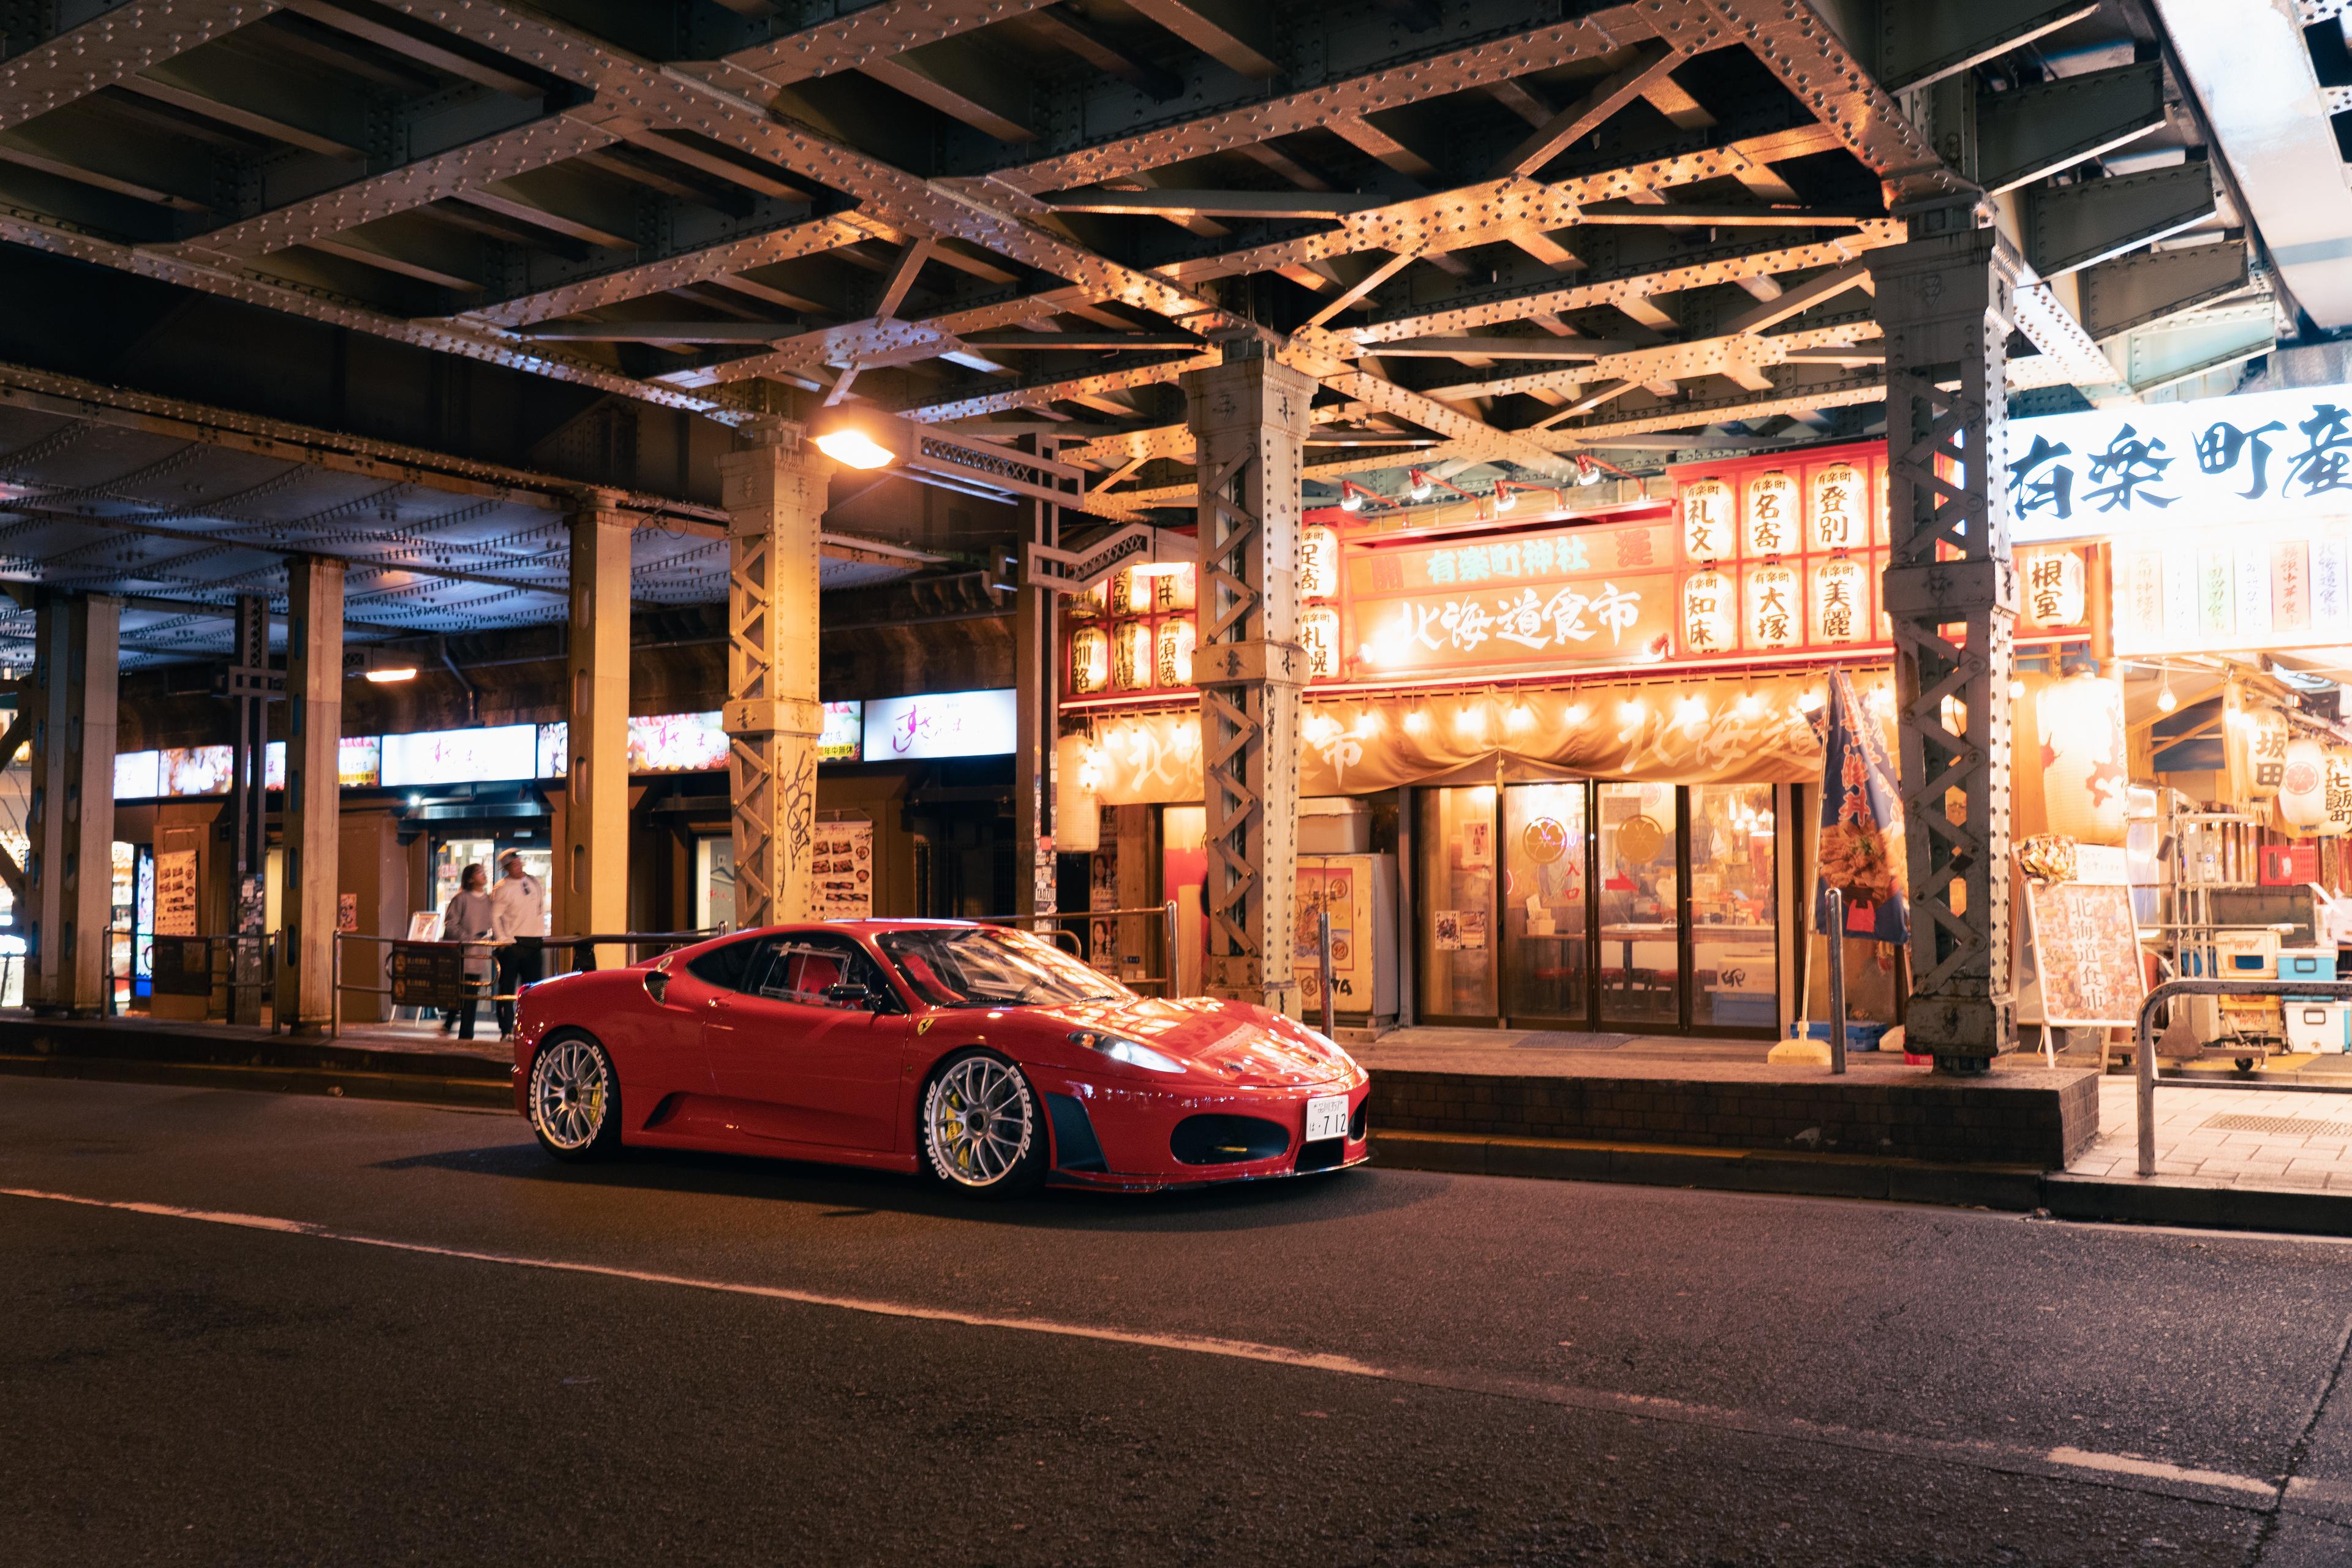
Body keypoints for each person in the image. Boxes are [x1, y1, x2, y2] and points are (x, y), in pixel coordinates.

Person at [490, 849, 548, 1039]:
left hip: (534, 941)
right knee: (507, 989)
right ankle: (506, 1029)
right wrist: (503, 939)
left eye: (519, 861)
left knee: (534, 990)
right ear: (506, 868)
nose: (518, 865)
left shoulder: (533, 881)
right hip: (513, 944)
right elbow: (495, 916)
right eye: (513, 864)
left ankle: (530, 1028)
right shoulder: (502, 888)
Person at [440, 864, 495, 1040]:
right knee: (463, 995)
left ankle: (459, 1031)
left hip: (479, 956)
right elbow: (451, 925)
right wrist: (469, 938)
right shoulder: (461, 899)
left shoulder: (489, 900)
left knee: (470, 996)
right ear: (471, 878)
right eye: (480, 872)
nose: (484, 875)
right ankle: (461, 1032)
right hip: (462, 955)